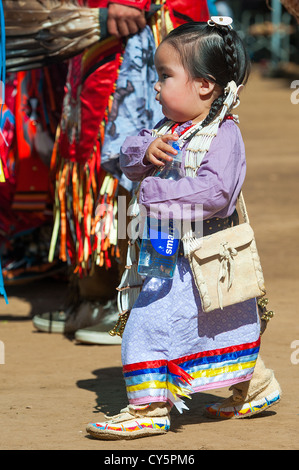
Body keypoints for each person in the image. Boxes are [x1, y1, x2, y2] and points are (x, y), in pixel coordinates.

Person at [86, 17, 281, 440]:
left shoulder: (223, 134)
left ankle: (150, 407)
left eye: (165, 76)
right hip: (164, 257)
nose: (155, 87)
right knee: (202, 324)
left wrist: (155, 192)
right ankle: (254, 385)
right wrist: (144, 150)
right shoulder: (166, 130)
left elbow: (217, 192)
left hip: (204, 258)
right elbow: (130, 162)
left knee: (167, 323)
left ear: (205, 86)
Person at [31, 0, 210, 343]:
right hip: (96, 28)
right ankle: (93, 293)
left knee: (133, 160)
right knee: (86, 155)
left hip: (144, 25)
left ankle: (132, 302)